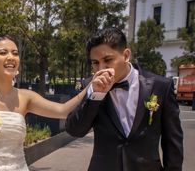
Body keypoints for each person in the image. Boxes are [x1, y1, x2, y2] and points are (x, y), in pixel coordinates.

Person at [0, 35, 88, 171]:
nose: (11, 57)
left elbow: (63, 111)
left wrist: (91, 87)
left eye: (15, 53)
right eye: (3, 52)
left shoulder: (26, 97)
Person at [65, 27, 183, 171]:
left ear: (126, 55)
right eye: (95, 63)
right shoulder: (89, 86)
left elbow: (173, 143)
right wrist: (95, 95)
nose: (101, 68)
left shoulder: (161, 86)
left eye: (107, 60)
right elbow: (75, 130)